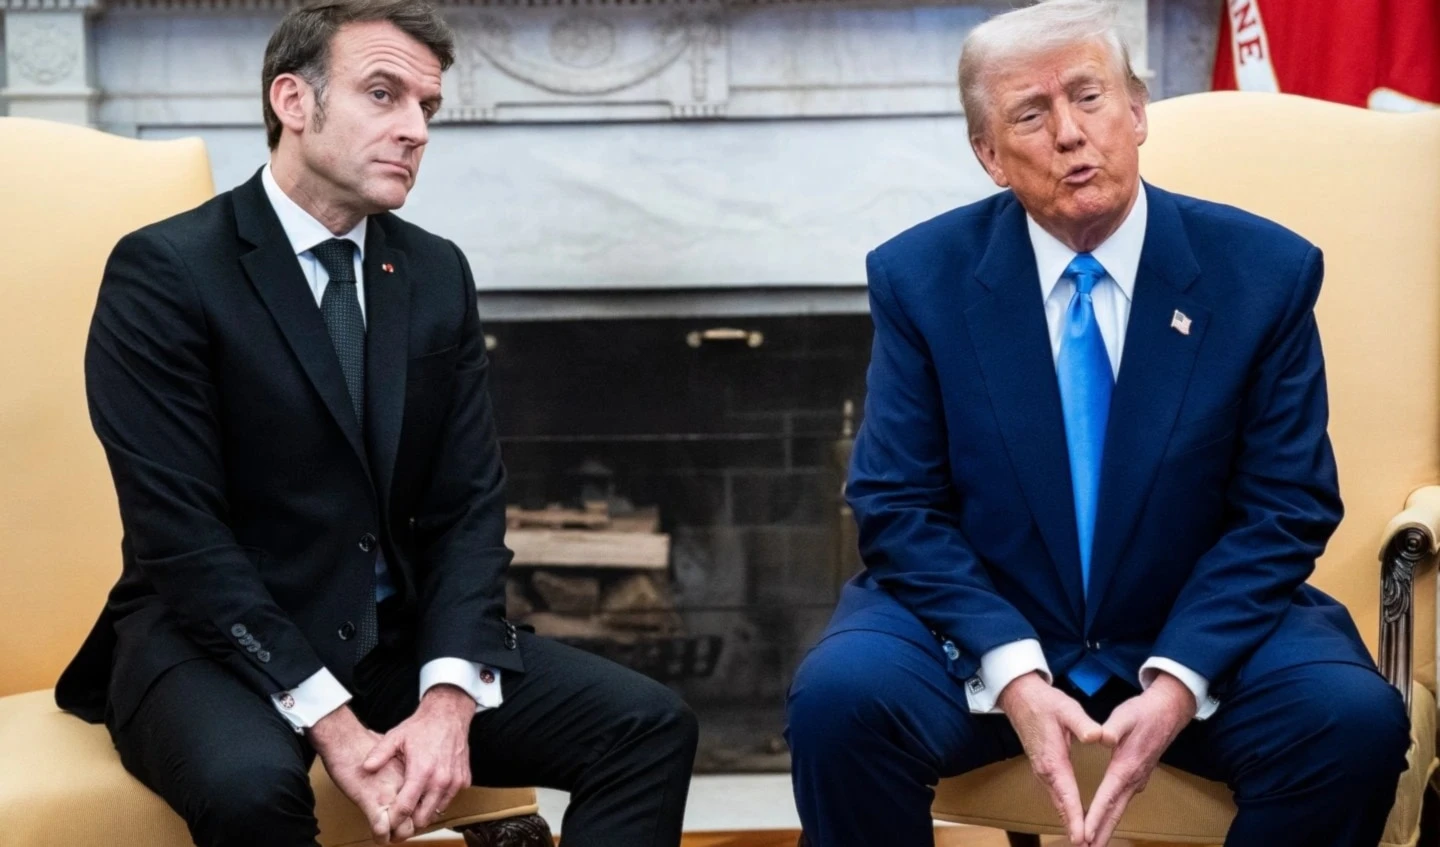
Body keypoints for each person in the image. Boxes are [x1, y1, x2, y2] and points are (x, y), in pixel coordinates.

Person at [54, 1, 697, 844]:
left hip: (391, 642)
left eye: (426, 108)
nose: (416, 130)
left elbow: (470, 503)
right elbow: (181, 537)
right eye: (384, 94)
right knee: (254, 788)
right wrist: (332, 720)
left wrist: (448, 694)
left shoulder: (432, 272)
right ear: (294, 101)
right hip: (214, 644)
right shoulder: (167, 270)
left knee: (648, 725)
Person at [785, 2, 1409, 846]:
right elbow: (897, 504)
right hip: (984, 627)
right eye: (1031, 115)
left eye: (1089, 97)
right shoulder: (921, 277)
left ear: (1139, 112)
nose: (1070, 134)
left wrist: (1181, 677)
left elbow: (1285, 505)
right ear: (989, 155)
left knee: (1350, 722)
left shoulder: (1263, 273)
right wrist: (1010, 668)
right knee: (839, 703)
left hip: (1190, 618)